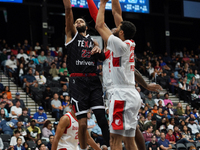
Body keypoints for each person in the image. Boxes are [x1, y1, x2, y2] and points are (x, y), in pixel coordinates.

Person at [95, 0, 162, 149]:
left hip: (120, 94)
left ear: (121, 33)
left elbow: (99, 26)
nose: (116, 27)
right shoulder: (130, 43)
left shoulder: (118, 45)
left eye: (118, 28)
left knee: (115, 140)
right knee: (129, 140)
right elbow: (117, 14)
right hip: (131, 94)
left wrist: (102, 3)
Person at [62, 0, 110, 148]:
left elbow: (103, 57)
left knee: (102, 118)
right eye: (76, 21)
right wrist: (68, 5)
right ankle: (82, 148)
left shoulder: (94, 42)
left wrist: (98, 50)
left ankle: (108, 146)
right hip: (78, 82)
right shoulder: (71, 36)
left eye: (81, 21)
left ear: (86, 26)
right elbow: (69, 11)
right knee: (82, 124)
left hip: (94, 81)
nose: (78, 22)